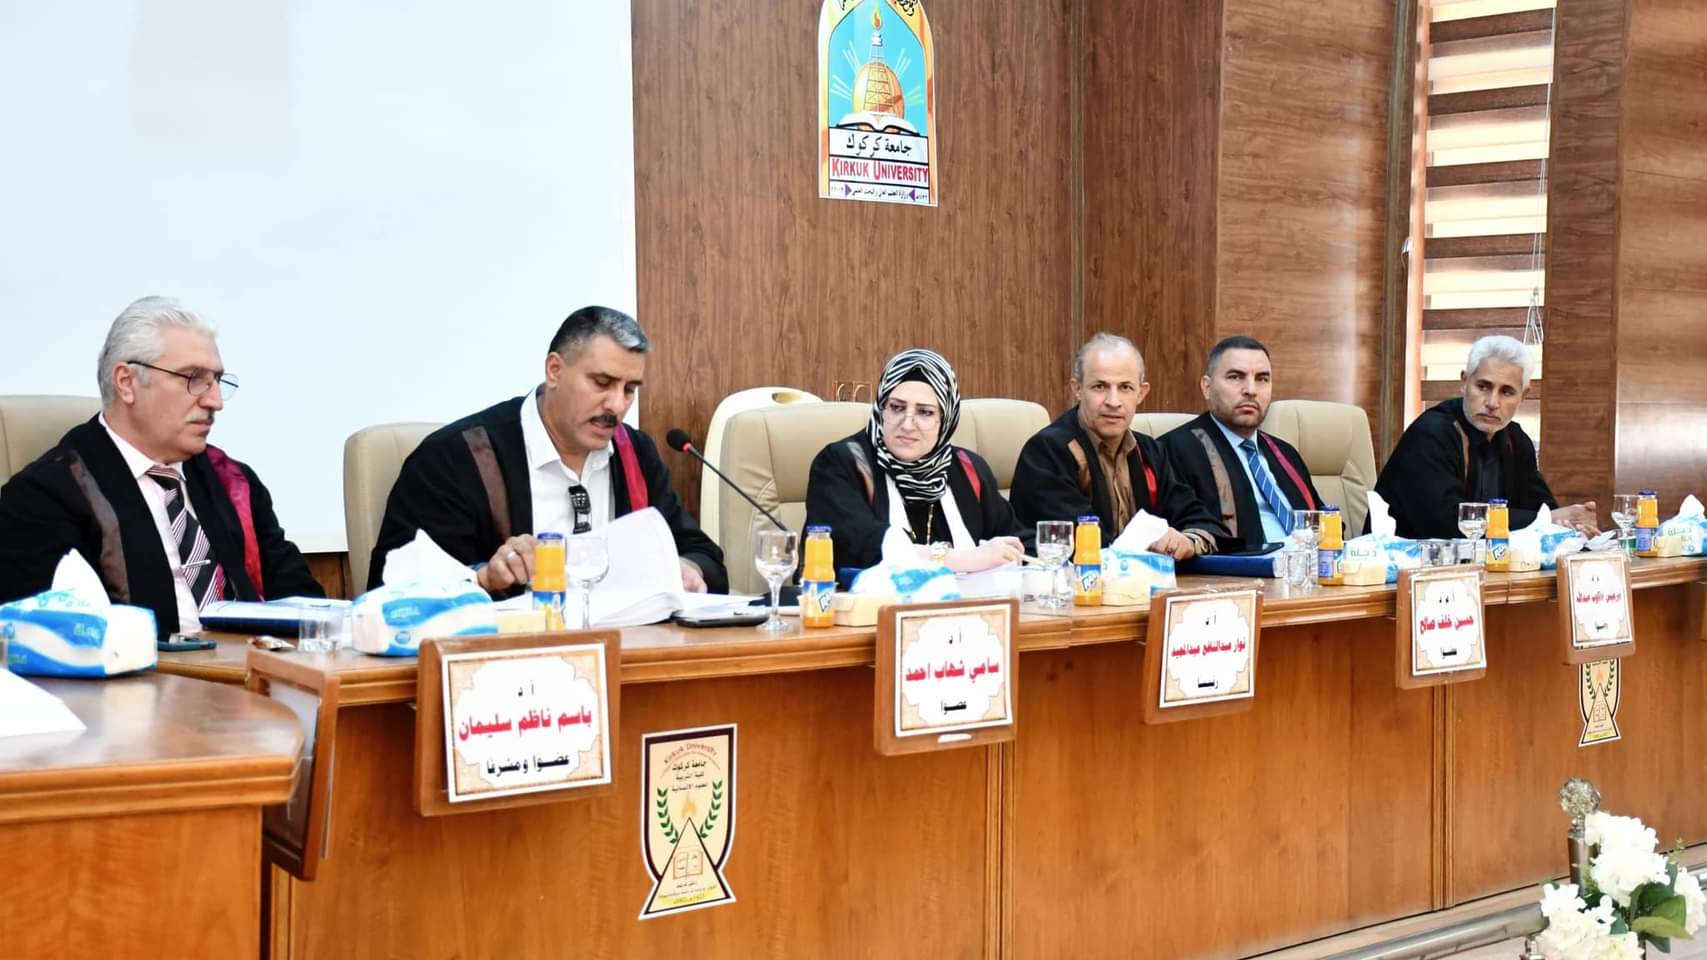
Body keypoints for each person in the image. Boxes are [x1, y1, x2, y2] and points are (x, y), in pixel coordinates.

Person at [0, 297, 322, 640]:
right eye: (193, 378)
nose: (215, 401)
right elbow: (46, 642)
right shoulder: (43, 498)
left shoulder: (233, 482)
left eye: (216, 380)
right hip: (143, 673)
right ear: (126, 383)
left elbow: (305, 607)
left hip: (254, 666)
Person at [369, 305, 727, 595]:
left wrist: (689, 569)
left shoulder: (635, 453)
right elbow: (395, 590)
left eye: (630, 389)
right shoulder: (456, 459)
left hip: (626, 650)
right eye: (602, 383)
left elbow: (703, 555)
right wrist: (484, 577)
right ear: (554, 370)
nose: (617, 405)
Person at [803, 348, 1025, 571]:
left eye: (925, 412)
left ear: (946, 419)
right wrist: (964, 560)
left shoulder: (969, 469)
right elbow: (853, 546)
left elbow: (1014, 544)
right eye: (896, 408)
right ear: (881, 409)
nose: (907, 424)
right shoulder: (842, 463)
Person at [1009, 333, 1227, 558]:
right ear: (1077, 389)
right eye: (1099, 386)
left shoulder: (1151, 452)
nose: (1113, 401)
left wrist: (1187, 540)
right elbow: (1079, 544)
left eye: (1125, 387)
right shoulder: (1047, 451)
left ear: (1141, 393)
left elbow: (1199, 518)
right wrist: (1149, 543)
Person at [1376, 335, 1598, 538]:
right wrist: (1546, 520)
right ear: (1464, 382)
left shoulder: (1515, 439)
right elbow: (1446, 523)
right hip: (1399, 564)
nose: (1492, 403)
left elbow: (1540, 509)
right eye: (1483, 386)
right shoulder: (1431, 433)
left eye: (1507, 392)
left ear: (1524, 396)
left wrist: (1573, 525)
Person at [1160, 336, 1323, 550]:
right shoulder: (1173, 451)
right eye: (1236, 377)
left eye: (1262, 379)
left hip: (1308, 566)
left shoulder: (1285, 453)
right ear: (1207, 387)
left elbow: (1323, 521)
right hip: (1242, 568)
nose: (1251, 390)